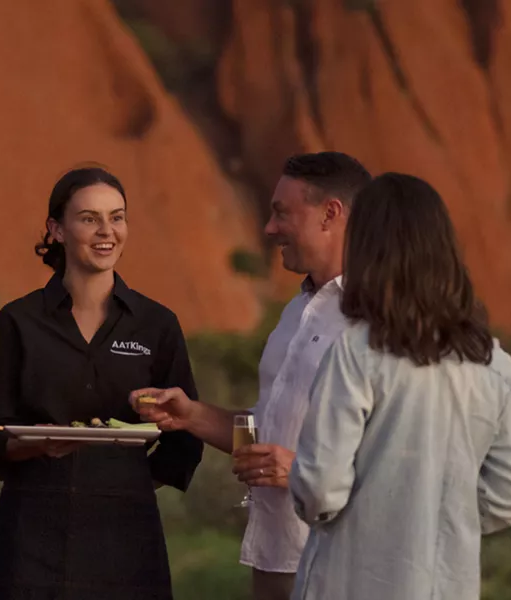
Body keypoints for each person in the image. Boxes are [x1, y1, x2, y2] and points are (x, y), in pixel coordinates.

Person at [130, 151, 372, 600]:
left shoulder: (380, 315)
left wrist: (300, 471)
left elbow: (406, 453)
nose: (269, 228)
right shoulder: (297, 311)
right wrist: (192, 416)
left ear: (330, 213)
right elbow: (266, 430)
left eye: (282, 213)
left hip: (345, 564)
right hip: (275, 557)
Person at [288, 173, 511, 599]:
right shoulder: (493, 364)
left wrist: (385, 514)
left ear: (366, 250)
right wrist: (436, 514)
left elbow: (320, 490)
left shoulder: (356, 353)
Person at [0, 166, 203, 599]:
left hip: (127, 535)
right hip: (30, 533)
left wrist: (125, 481)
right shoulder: (18, 320)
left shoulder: (157, 324)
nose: (106, 231)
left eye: (116, 218)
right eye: (89, 218)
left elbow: (185, 434)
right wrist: (38, 444)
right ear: (57, 230)